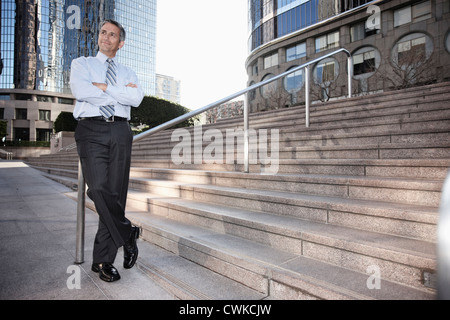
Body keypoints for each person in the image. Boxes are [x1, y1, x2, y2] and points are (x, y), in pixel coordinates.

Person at [70, 19, 144, 282]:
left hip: (120, 131)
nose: (106, 37)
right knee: (99, 188)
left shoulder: (127, 72)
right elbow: (80, 90)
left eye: (112, 34)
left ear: (120, 42)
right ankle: (128, 234)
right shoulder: (82, 64)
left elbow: (136, 98)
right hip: (90, 130)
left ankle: (102, 261)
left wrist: (102, 88)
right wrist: (117, 94)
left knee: (115, 194)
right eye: (103, 32)